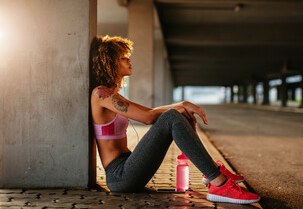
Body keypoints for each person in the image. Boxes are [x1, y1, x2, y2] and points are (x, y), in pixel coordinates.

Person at [90, 35, 260, 204]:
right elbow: (148, 118)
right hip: (119, 176)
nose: (129, 61)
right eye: (123, 58)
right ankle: (219, 183)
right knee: (171, 116)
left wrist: (182, 105)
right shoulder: (101, 94)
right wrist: (178, 108)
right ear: (110, 62)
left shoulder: (113, 95)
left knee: (172, 115)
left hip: (129, 165)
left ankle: (213, 172)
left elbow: (149, 111)